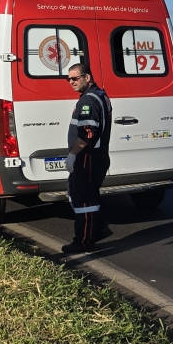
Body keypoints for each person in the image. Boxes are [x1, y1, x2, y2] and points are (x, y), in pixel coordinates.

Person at [63, 62, 112, 253]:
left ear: (87, 77)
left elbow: (87, 133)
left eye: (75, 78)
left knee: (84, 200)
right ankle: (98, 229)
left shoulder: (88, 101)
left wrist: (73, 155)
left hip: (88, 157)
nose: (71, 82)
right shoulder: (100, 94)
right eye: (69, 79)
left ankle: (84, 241)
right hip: (95, 156)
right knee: (85, 195)